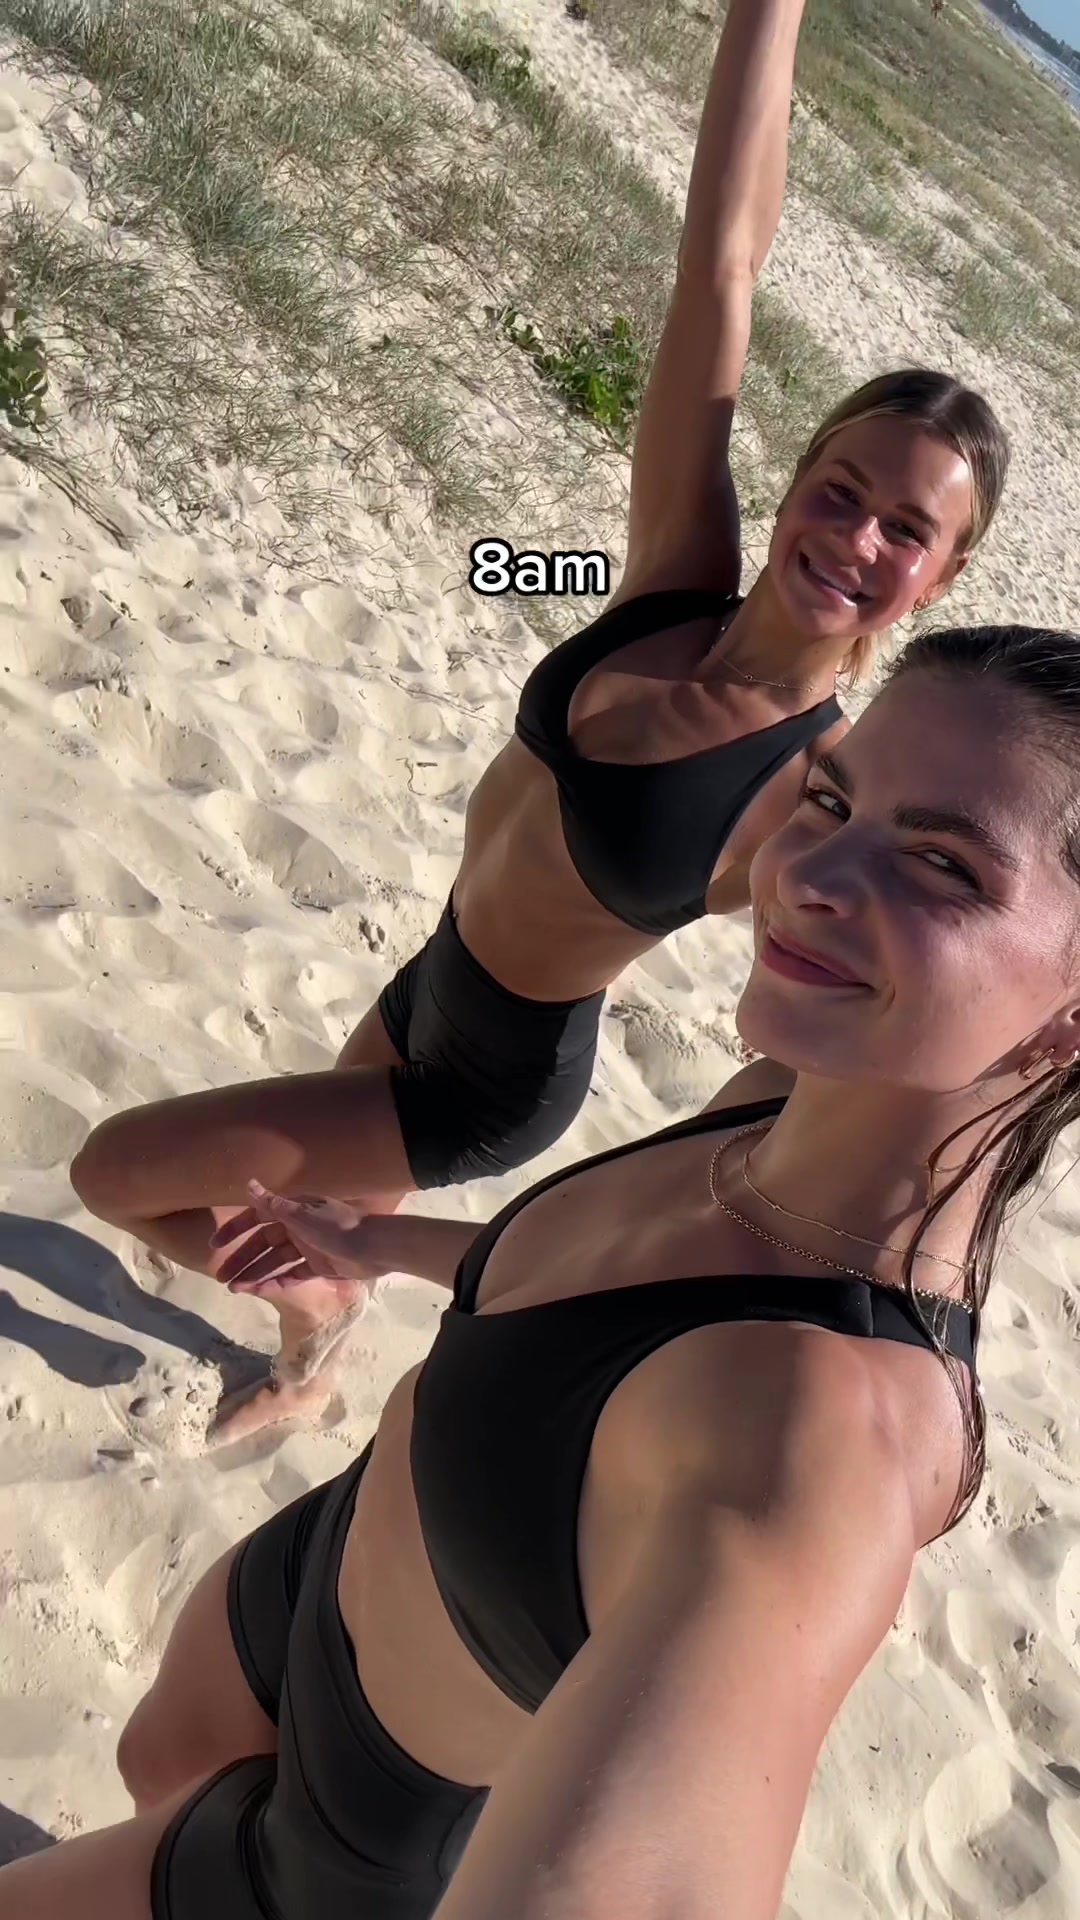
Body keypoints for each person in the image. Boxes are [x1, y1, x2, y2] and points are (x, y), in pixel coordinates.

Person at [7, 618, 1080, 1920]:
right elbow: (603, 1307)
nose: (812, 872)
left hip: (339, 1854)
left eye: (943, 863)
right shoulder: (783, 1097)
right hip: (312, 1575)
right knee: (155, 1769)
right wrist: (381, 1246)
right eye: (833, 801)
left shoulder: (820, 1440)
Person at [68, 0, 1009, 1437]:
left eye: (906, 532)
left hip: (490, 1081)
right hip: (432, 978)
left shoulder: (816, 786)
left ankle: (321, 1307)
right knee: (292, 1214)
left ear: (940, 577)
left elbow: (896, 991)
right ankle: (312, 1356)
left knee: (118, 1173)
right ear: (798, 479)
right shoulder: (675, 575)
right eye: (842, 492)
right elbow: (722, 262)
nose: (856, 538)